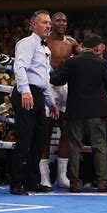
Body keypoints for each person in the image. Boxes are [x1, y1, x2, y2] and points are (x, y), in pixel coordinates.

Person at [50, 34, 107, 192]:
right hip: (96, 111)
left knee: (75, 147)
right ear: (96, 47)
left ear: (82, 45)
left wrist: (49, 72)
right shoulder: (102, 63)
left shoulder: (71, 62)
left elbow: (59, 81)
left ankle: (75, 183)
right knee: (99, 147)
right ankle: (102, 182)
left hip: (76, 110)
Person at [10, 10, 60, 195]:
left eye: (49, 23)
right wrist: (25, 91)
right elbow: (20, 67)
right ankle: (16, 183)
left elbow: (43, 78)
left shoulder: (44, 48)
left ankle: (32, 181)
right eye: (44, 22)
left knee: (39, 140)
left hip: (38, 95)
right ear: (33, 25)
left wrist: (51, 102)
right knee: (24, 139)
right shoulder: (26, 43)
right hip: (27, 94)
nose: (49, 25)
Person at [39, 12, 81, 189]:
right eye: (58, 21)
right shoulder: (44, 41)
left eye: (64, 20)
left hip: (65, 86)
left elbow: (86, 58)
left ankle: (62, 176)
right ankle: (44, 176)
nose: (62, 23)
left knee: (66, 130)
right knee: (46, 131)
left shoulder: (71, 42)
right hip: (47, 85)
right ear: (52, 23)